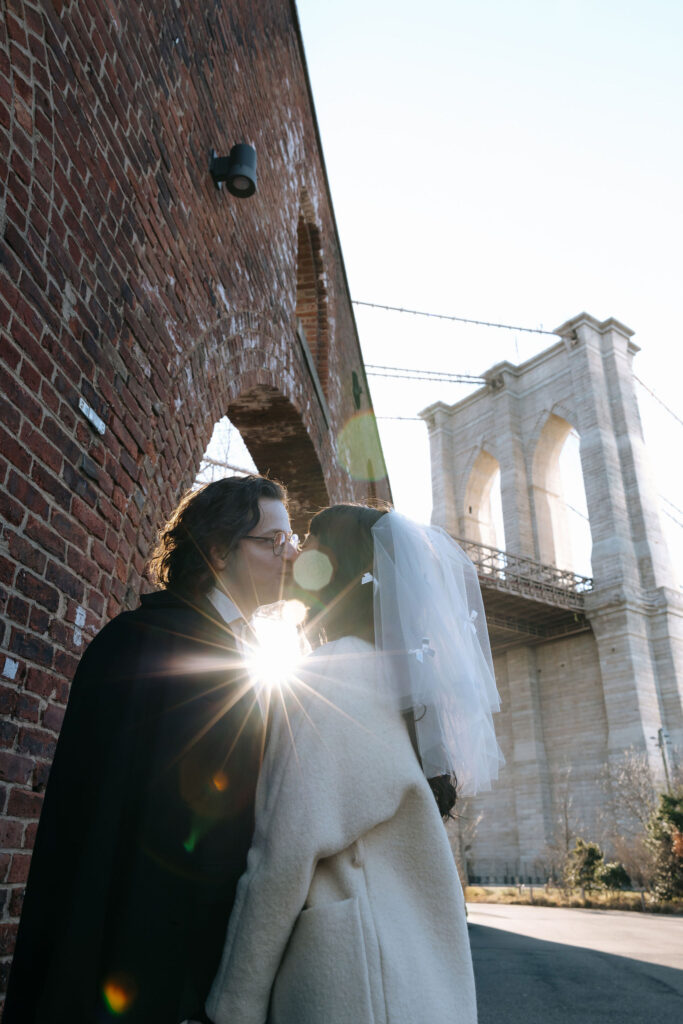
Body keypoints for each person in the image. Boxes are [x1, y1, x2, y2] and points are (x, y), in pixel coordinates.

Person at [2, 475, 299, 1024]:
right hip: (139, 959)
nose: (291, 557)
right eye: (273, 542)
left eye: (293, 541)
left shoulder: (222, 649)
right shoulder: (167, 647)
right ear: (217, 551)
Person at [206, 504, 503, 1024]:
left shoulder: (332, 674)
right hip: (417, 984)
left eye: (312, 537)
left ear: (337, 565)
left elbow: (282, 856)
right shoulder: (400, 687)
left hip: (358, 982)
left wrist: (231, 1007)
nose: (296, 550)